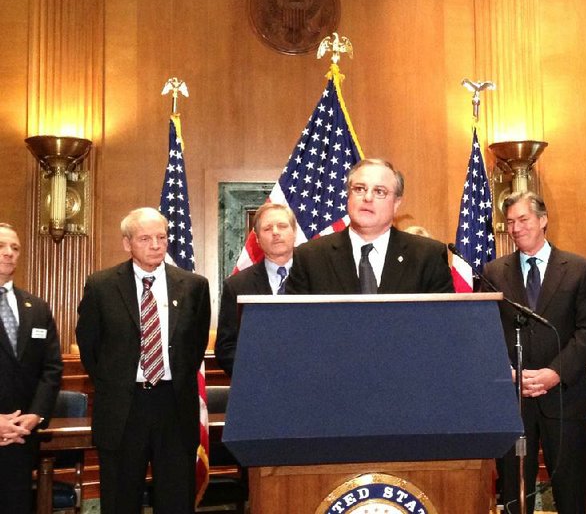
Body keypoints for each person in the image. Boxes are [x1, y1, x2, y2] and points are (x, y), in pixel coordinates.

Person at [76, 207, 210, 514]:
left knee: (176, 499)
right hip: (123, 407)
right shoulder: (101, 286)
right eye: (145, 238)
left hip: (174, 406)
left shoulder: (194, 286)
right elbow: (89, 346)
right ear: (127, 243)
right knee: (121, 500)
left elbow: (195, 345)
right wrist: (117, 381)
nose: (156, 245)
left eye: (161, 237)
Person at [482, 192, 586, 514]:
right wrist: (507, 373)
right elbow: (484, 332)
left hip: (563, 396)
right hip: (512, 397)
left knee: (570, 491)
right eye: (510, 222)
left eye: (523, 219)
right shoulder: (493, 273)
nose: (516, 228)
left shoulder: (577, 268)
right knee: (514, 492)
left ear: (543, 220)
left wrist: (554, 373)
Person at [286, 158, 454, 294]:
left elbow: (443, 325)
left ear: (396, 203)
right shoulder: (309, 257)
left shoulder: (427, 256)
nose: (367, 198)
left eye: (379, 192)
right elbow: (297, 327)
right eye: (359, 189)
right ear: (348, 196)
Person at [0, 223, 63, 514]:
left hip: (21, 434)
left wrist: (35, 414)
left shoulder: (36, 307)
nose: (9, 253)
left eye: (15, 248)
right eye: (1, 246)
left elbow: (51, 368)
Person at [215, 202, 297, 377]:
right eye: (267, 229)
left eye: (282, 226)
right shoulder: (237, 286)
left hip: (310, 386)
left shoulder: (315, 276)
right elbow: (226, 347)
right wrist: (256, 375)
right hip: (256, 386)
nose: (276, 232)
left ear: (294, 233)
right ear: (258, 240)